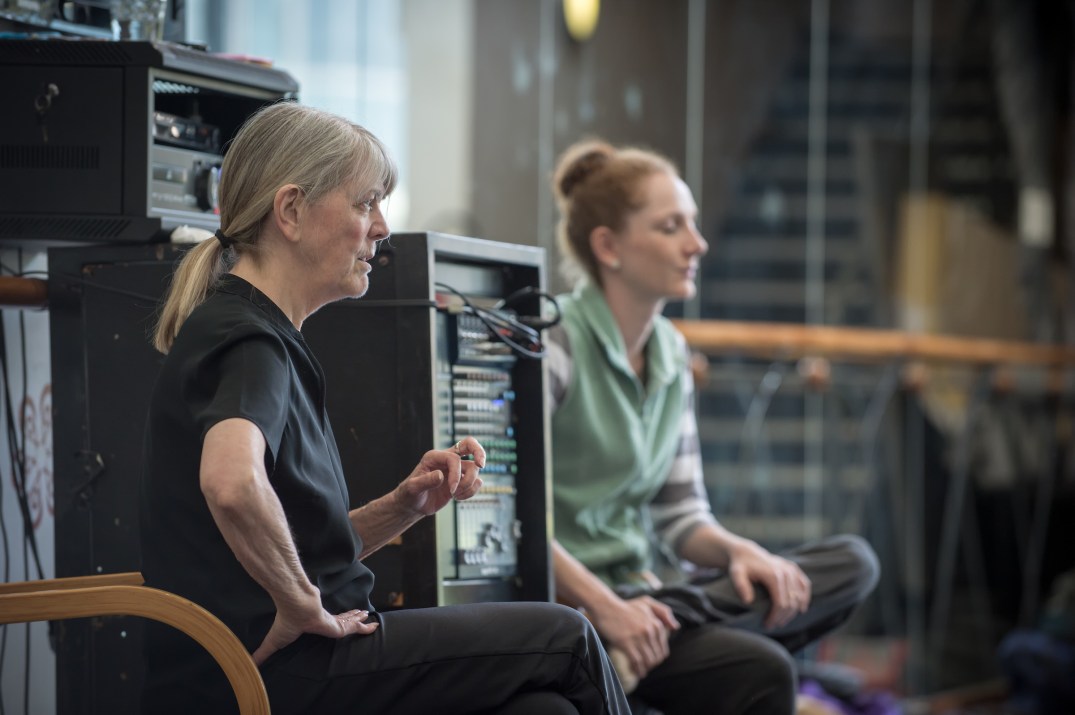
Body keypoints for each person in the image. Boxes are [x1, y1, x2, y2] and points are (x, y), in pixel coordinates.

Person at [139, 101, 630, 715]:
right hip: (284, 670)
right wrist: (299, 601)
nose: (382, 227)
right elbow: (232, 483)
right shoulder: (249, 339)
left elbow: (306, 548)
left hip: (298, 662)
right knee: (567, 638)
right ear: (290, 211)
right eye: (365, 202)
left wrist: (404, 507)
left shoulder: (255, 334)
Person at [546, 139, 881, 715]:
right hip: (573, 606)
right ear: (609, 246)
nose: (696, 244)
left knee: (852, 564)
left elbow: (682, 516)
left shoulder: (672, 354)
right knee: (764, 669)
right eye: (671, 226)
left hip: (650, 599)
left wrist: (740, 552)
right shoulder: (553, 342)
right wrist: (606, 607)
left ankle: (639, 649)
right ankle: (619, 642)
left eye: (693, 225)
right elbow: (515, 522)